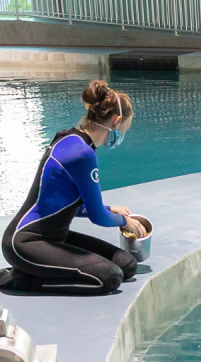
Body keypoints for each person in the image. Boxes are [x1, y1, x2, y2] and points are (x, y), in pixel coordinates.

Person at [0, 80, 145, 295]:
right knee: (109, 277)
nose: (124, 133)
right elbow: (98, 217)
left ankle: (36, 270)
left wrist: (110, 208)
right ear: (117, 121)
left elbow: (65, 204)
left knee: (126, 264)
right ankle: (17, 279)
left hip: (54, 237)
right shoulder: (82, 153)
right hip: (26, 242)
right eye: (126, 128)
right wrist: (125, 222)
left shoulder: (72, 139)